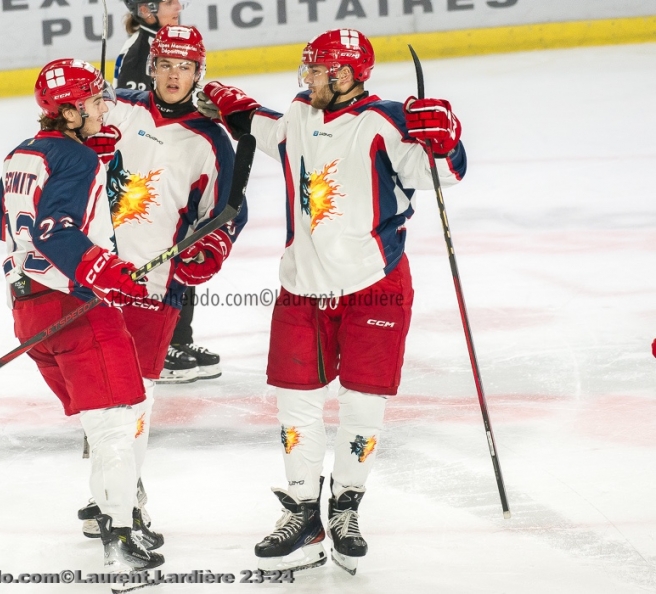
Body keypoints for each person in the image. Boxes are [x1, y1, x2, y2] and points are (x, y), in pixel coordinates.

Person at [198, 28, 467, 574]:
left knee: (365, 403)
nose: (308, 78)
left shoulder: (388, 121)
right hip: (302, 286)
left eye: (318, 71)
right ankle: (303, 510)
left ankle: (346, 504)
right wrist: (232, 106)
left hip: (376, 283)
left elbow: (444, 172)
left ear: (345, 75)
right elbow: (266, 128)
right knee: (296, 404)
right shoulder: (300, 113)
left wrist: (448, 139)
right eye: (309, 69)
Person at [0, 58, 163, 574]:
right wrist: (108, 270)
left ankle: (103, 514)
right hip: (76, 307)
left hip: (28, 311)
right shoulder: (78, 159)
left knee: (102, 420)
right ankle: (121, 543)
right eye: (93, 101)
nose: (103, 107)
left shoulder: (22, 152)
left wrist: (80, 163)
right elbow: (56, 232)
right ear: (69, 110)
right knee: (115, 425)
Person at [77, 24, 247, 545]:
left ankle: (120, 498)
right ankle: (112, 494)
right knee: (98, 397)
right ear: (150, 66)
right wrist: (87, 136)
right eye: (166, 64)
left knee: (135, 400)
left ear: (199, 72)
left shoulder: (211, 139)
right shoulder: (118, 109)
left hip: (154, 286)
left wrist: (210, 248)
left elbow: (224, 213)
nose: (175, 76)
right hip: (90, 277)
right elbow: (62, 140)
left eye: (186, 67)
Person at [114, 0, 221, 384]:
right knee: (154, 245)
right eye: (167, 2)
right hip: (143, 170)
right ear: (146, 10)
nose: (178, 6)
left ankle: (180, 336)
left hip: (171, 163)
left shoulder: (165, 43)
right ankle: (168, 340)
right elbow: (128, 114)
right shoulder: (138, 53)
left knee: (184, 239)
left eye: (185, 67)